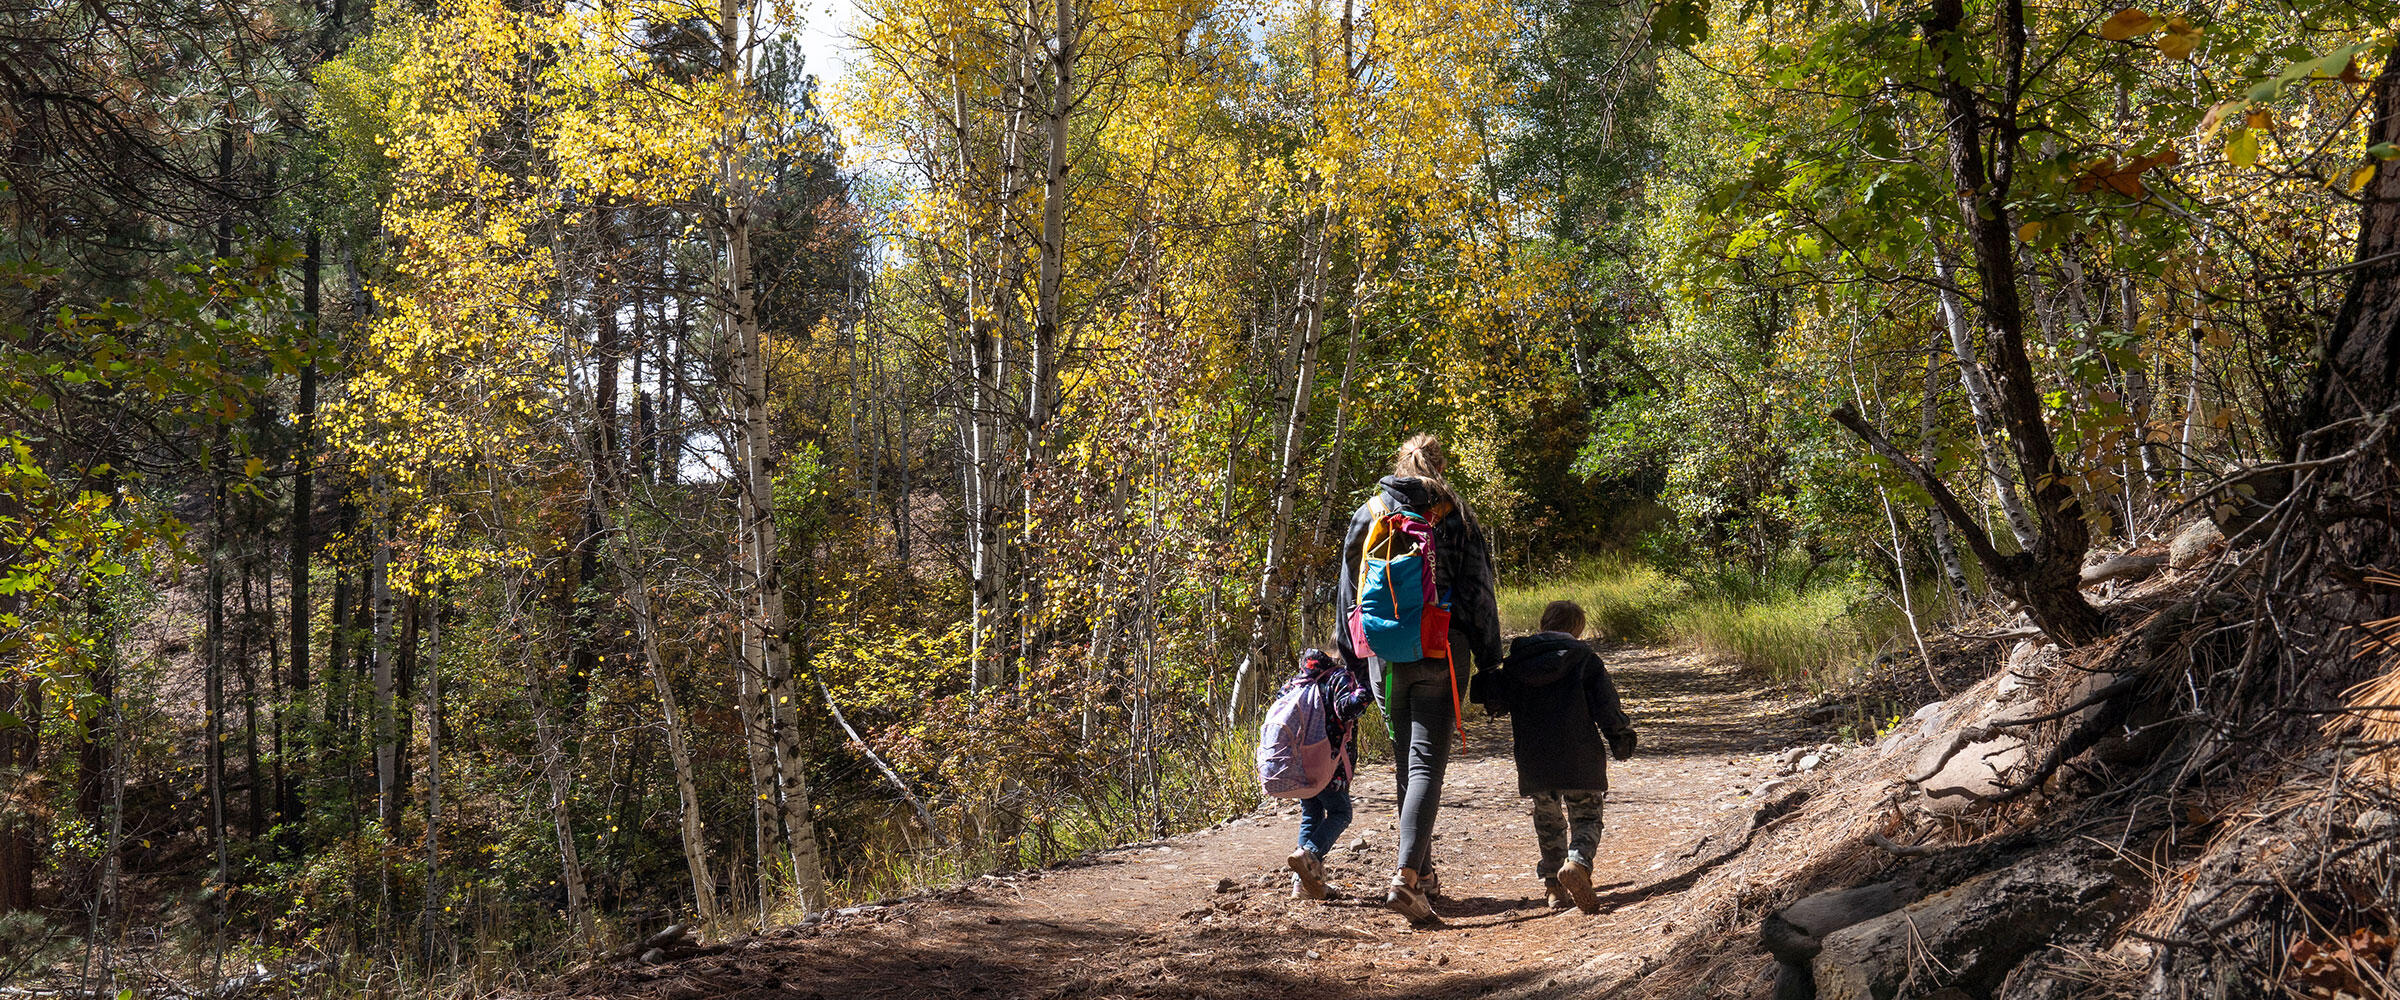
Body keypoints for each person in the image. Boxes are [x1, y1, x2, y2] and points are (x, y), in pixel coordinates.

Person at [1335, 433, 1502, 925]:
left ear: (1399, 463)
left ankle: (1424, 877)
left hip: (1384, 656)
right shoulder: (1456, 516)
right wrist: (1490, 660)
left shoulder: (1369, 512)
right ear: (1440, 465)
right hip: (1442, 648)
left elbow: (1346, 595)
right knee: (1427, 762)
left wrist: (1353, 662)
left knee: (1407, 764)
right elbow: (1478, 593)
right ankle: (1406, 877)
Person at [1479, 599, 1636, 914]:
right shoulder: (1585, 660)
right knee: (1588, 817)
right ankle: (1577, 864)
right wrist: (1620, 737)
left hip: (1535, 760)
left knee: (1548, 822)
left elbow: (1494, 699)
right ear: (1577, 630)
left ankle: (1553, 887)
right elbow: (1606, 706)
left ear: (1543, 625)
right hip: (1581, 758)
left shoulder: (1517, 663)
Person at [1282, 649, 1373, 901]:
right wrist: (1367, 687)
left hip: (1300, 764)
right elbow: (1346, 709)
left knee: (1311, 813)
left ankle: (1301, 885)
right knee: (1341, 813)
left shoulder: (1294, 682)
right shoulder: (1338, 677)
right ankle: (1309, 856)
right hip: (1330, 765)